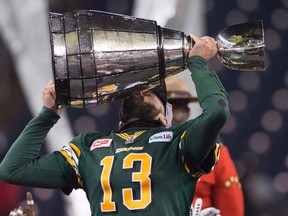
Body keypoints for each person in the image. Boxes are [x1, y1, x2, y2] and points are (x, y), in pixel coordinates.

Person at [0, 34, 229, 216]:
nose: (142, 91)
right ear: (120, 117)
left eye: (152, 93)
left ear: (164, 119)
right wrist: (48, 114)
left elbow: (217, 111)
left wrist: (197, 63)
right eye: (137, 90)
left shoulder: (180, 141)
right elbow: (12, 169)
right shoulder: (87, 148)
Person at [166, 75, 244, 216]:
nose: (174, 113)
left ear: (187, 112)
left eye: (181, 105)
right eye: (169, 105)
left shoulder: (214, 152)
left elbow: (232, 209)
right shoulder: (140, 148)